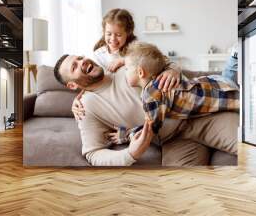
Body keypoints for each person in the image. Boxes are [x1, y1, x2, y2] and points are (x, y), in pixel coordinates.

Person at [54, 54, 182, 166]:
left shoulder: (122, 66)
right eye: (74, 67)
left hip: (197, 109)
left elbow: (161, 59)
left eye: (80, 58)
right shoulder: (85, 107)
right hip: (176, 140)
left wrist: (172, 69)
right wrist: (130, 154)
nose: (82, 62)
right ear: (72, 85)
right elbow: (93, 154)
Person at [106, 41, 239, 145]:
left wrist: (126, 135)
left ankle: (235, 57)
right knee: (227, 78)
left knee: (240, 100)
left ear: (140, 72)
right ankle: (235, 56)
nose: (125, 72)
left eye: (127, 69)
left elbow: (151, 129)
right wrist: (125, 60)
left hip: (221, 94)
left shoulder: (152, 96)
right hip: (215, 82)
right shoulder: (159, 77)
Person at [71, 9, 180, 121]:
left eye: (118, 35)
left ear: (128, 33)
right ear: (103, 32)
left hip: (141, 95)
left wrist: (125, 60)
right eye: (108, 34)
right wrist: (78, 98)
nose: (113, 39)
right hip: (117, 101)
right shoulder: (99, 55)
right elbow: (91, 81)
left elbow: (162, 60)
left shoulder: (135, 48)